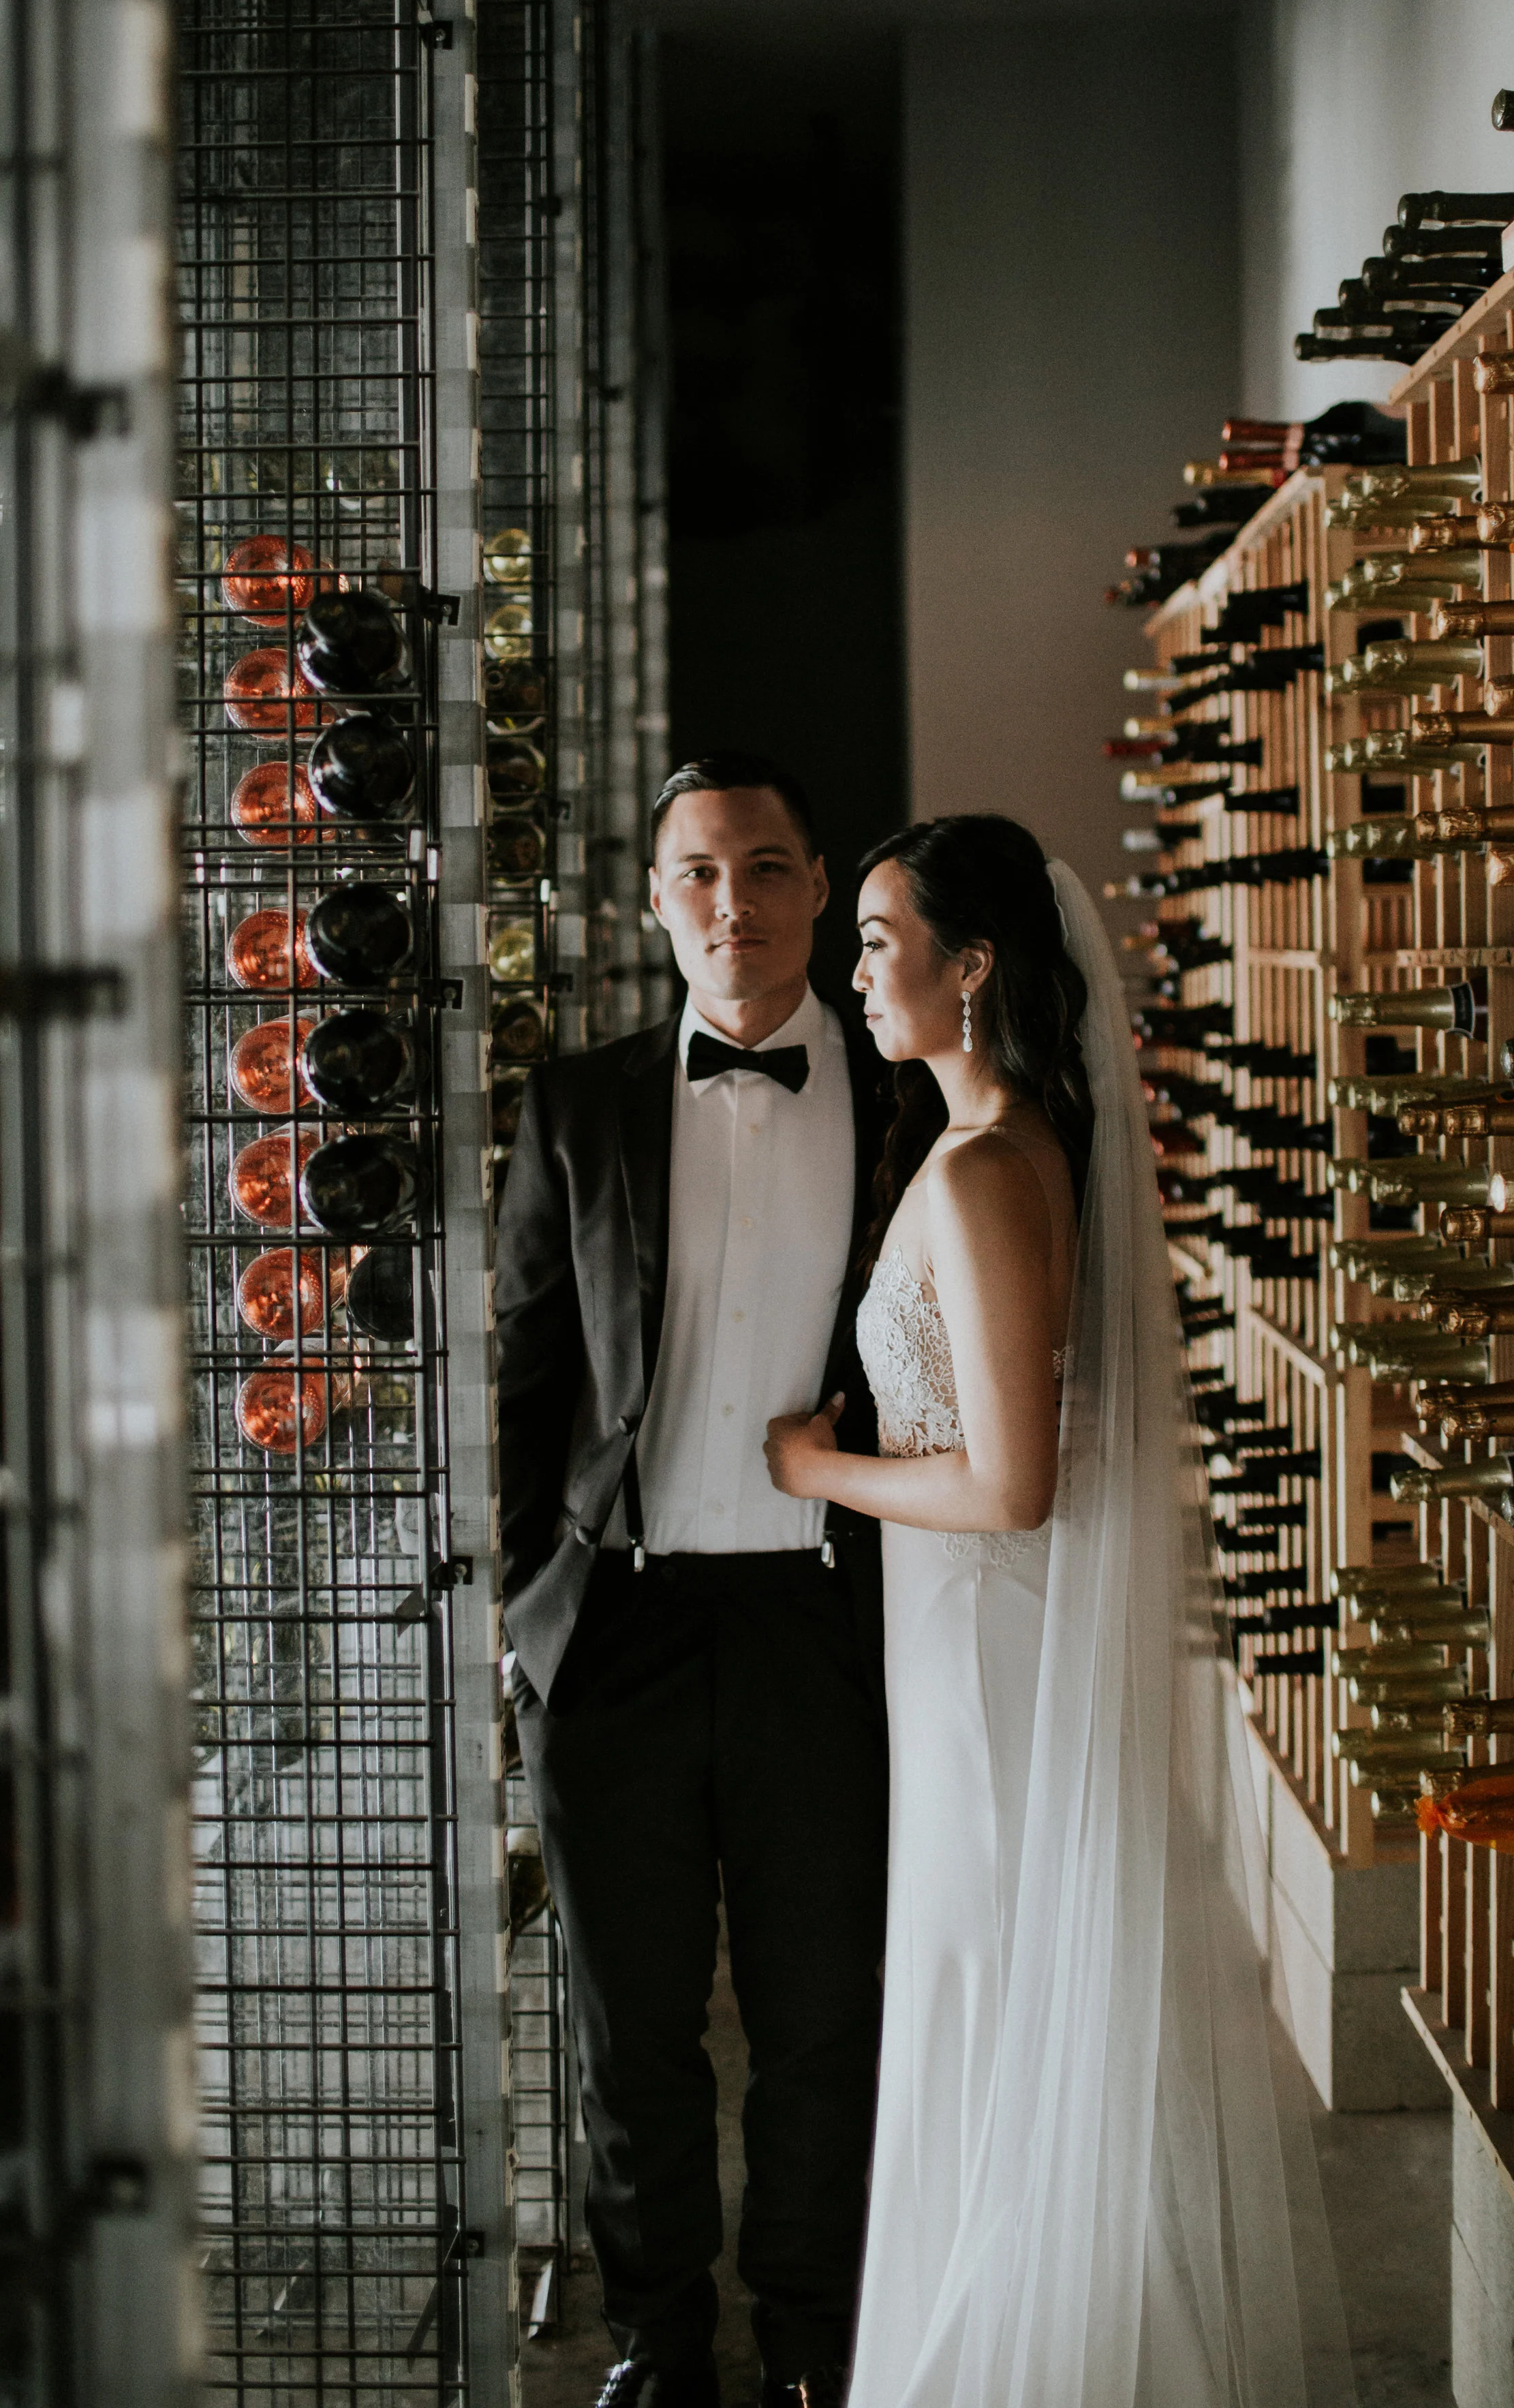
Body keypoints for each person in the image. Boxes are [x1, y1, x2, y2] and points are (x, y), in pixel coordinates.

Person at [766, 816, 1354, 2408]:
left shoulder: (982, 1169)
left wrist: (818, 1469)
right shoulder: (1005, 1144)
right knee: (1006, 1995)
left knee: (991, 1985)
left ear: (972, 967)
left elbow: (1014, 1483)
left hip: (984, 1651)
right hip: (972, 1642)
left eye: (878, 941)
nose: (855, 972)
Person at [495, 754, 891, 2408]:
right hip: (620, 1631)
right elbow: (522, 1376)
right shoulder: (576, 1106)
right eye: (702, 874)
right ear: (657, 899)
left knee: (822, 2020)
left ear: (821, 886)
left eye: (769, 867)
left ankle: (809, 2339)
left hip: (829, 1628)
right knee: (630, 2028)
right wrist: (529, 1616)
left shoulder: (908, 1104)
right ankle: (661, 2343)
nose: (737, 904)